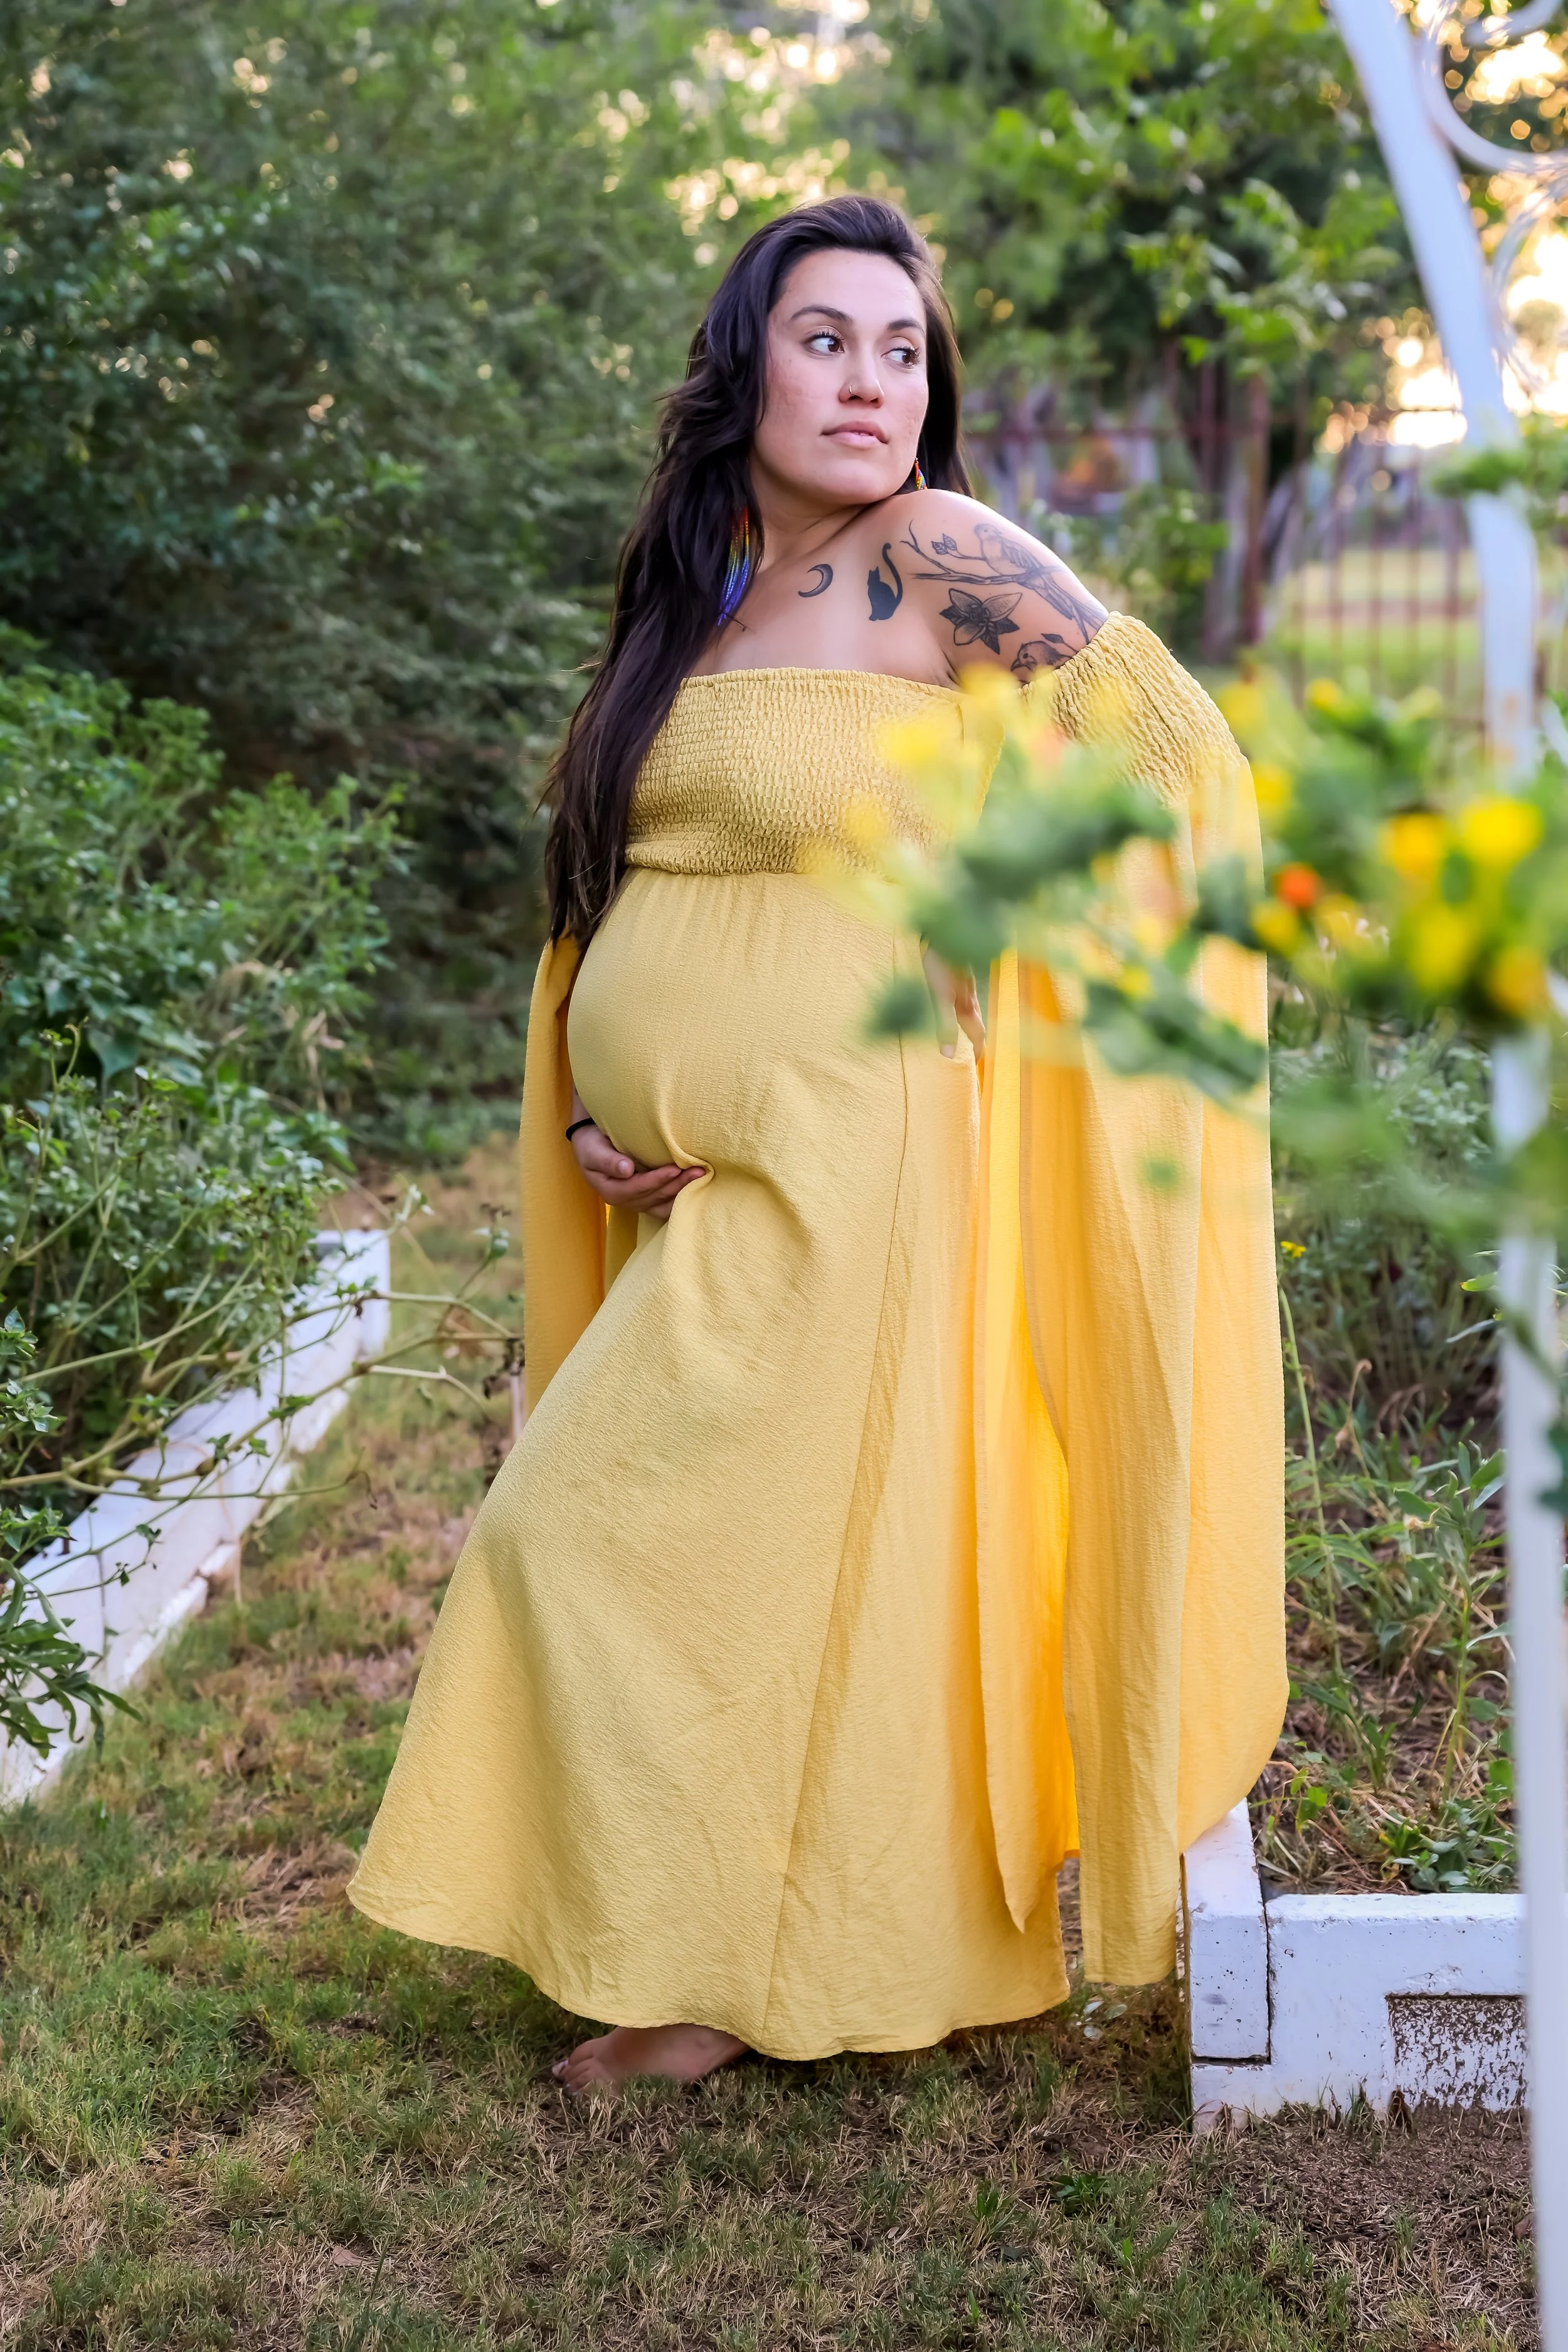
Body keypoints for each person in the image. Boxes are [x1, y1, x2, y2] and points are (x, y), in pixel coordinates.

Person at [347, 196, 1285, 2092]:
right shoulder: (695, 600)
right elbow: (644, 890)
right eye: (825, 338)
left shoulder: (930, 555)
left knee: (607, 1533)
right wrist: (611, 1095)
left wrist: (994, 963)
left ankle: (724, 1973)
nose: (871, 379)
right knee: (679, 1544)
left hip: (865, 1155)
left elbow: (1170, 769)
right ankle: (706, 1931)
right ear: (740, 367)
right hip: (703, 1172)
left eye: (903, 347)